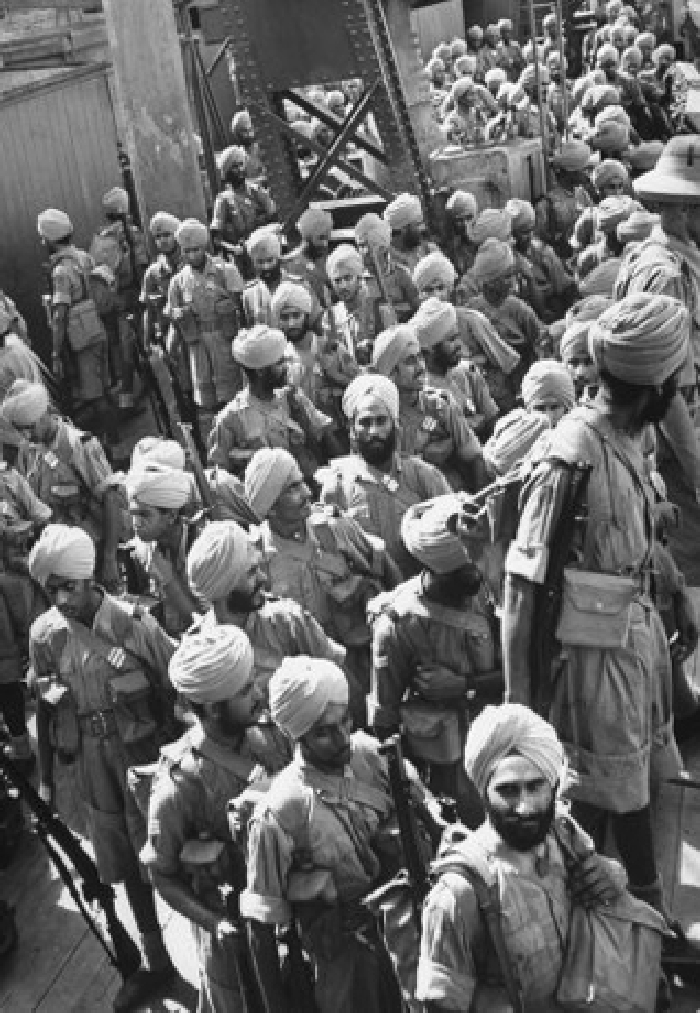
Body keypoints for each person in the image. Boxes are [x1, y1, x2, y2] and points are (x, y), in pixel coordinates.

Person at [503, 293, 693, 914]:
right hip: (591, 668)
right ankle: (632, 919)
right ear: (654, 384)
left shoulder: (628, 440)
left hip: (633, 652)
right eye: (677, 382)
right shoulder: (572, 455)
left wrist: (673, 597)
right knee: (600, 800)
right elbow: (520, 590)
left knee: (627, 792)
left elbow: (634, 546)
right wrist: (519, 718)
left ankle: (633, 915)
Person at [29, 525, 177, 1012]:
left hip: (145, 755)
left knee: (171, 854)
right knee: (125, 865)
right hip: (93, 761)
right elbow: (47, 708)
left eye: (67, 586)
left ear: (90, 578)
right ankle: (156, 963)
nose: (60, 598)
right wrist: (46, 784)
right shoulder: (47, 636)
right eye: (51, 589)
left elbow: (175, 692)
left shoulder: (136, 625)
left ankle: (221, 953)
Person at [242, 657, 436, 1013]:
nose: (342, 737)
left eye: (345, 721)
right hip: (345, 960)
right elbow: (261, 926)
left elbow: (433, 826)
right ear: (295, 734)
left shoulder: (376, 757)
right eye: (323, 732)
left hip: (412, 929)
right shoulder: (282, 811)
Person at [417, 703, 637, 1013]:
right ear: (483, 793)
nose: (526, 807)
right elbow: (441, 1004)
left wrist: (612, 875)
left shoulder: (563, 834)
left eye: (535, 787)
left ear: (553, 784)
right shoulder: (457, 895)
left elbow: (607, 893)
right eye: (508, 791)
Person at [143, 625, 287, 1013]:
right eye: (244, 692)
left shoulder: (273, 737)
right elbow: (162, 875)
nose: (257, 694)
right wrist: (214, 924)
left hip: (290, 917)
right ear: (211, 708)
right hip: (234, 940)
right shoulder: (179, 786)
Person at [368, 494, 500, 813]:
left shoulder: (494, 593)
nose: (476, 575)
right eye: (463, 570)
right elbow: (384, 721)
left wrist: (464, 687)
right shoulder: (398, 627)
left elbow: (528, 673)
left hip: (502, 750)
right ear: (433, 567)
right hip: (448, 773)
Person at [244, 447, 401, 716]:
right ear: (269, 507)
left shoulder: (334, 527)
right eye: (293, 489)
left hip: (364, 661)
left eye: (303, 483)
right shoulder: (257, 559)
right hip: (312, 684)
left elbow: (386, 569)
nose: (307, 493)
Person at [186, 518, 346, 693]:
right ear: (225, 586)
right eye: (252, 573)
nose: (263, 578)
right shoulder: (198, 648)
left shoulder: (289, 623)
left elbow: (339, 683)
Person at [316, 374, 451, 576]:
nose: (374, 431)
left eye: (381, 421)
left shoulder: (423, 476)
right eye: (365, 423)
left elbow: (451, 539)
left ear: (395, 426)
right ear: (352, 431)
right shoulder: (337, 487)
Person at [4, 380, 124, 588]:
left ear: (43, 415)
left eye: (29, 428)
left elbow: (111, 499)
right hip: (57, 556)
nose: (26, 436)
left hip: (91, 553)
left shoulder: (79, 445)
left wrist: (110, 558)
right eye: (20, 431)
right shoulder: (29, 451)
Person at [207, 323, 334, 483]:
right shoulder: (230, 419)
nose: (287, 367)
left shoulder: (293, 398)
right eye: (280, 363)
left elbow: (325, 436)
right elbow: (219, 477)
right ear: (260, 371)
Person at [370, 324, 486, 491]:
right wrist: (424, 457)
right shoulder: (377, 420)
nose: (421, 367)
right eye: (410, 361)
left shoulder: (440, 404)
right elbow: (378, 479)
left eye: (420, 358)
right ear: (391, 372)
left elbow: (475, 457)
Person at [166, 218, 243, 445]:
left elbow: (241, 306)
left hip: (224, 340)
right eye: (187, 251)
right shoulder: (178, 282)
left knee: (231, 394)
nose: (192, 256)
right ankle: (212, 446)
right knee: (204, 400)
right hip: (196, 344)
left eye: (197, 250)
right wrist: (172, 351)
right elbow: (172, 314)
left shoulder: (225, 271)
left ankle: (237, 440)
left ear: (205, 247)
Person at [38, 208, 109, 429]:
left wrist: (56, 353)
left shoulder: (61, 271)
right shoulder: (83, 257)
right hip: (96, 328)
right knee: (101, 389)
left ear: (49, 239)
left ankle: (114, 448)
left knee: (95, 397)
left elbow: (60, 316)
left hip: (81, 338)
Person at [123, 463, 201, 636]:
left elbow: (207, 624)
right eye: (133, 514)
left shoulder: (201, 547)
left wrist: (169, 581)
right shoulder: (139, 549)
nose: (136, 523)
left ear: (172, 516)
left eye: (144, 515)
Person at [271, 281, 358, 431]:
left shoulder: (332, 348)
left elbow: (360, 386)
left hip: (337, 431)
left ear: (306, 315)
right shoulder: (278, 358)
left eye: (296, 315)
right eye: (285, 317)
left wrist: (335, 376)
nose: (291, 323)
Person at [90, 187, 149, 409]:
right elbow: (141, 266)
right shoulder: (130, 234)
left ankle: (140, 385)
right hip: (129, 296)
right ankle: (126, 398)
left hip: (109, 301)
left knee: (120, 348)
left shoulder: (99, 237)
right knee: (131, 346)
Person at [413, 297, 499, 440]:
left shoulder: (468, 371)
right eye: (451, 340)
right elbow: (432, 434)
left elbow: (492, 418)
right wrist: (465, 426)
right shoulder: (421, 393)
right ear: (430, 349)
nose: (459, 344)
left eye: (457, 337)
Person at [465, 239, 549, 370]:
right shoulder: (471, 311)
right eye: (507, 276)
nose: (512, 282)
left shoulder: (518, 308)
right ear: (490, 281)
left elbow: (542, 337)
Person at [483, 359, 576, 478]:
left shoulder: (576, 432)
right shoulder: (514, 427)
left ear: (567, 408)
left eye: (554, 407)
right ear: (528, 408)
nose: (547, 415)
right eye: (540, 408)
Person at [508, 198, 578, 322]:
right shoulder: (505, 258)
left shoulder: (543, 252)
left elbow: (563, 286)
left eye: (531, 230)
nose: (529, 236)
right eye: (523, 232)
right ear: (512, 233)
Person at [241, 226, 321, 329]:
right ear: (253, 263)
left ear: (278, 259)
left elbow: (316, 322)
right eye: (260, 262)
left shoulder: (300, 285)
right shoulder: (249, 294)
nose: (266, 267)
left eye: (270, 260)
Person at [324, 243, 385, 366]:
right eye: (337, 281)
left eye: (348, 278)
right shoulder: (330, 316)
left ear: (359, 278)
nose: (343, 286)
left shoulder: (379, 309)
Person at [355, 213, 420, 324]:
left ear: (383, 248)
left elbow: (418, 309)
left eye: (369, 245)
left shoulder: (401, 274)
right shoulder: (356, 279)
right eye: (361, 246)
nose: (364, 252)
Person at [534, 140, 593, 259]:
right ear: (571, 172)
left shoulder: (582, 194)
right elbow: (539, 243)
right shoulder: (547, 204)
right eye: (584, 169)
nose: (587, 174)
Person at [140, 212, 182, 349]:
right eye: (158, 237)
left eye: (167, 235)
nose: (162, 240)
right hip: (170, 337)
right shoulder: (153, 273)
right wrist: (146, 342)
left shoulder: (191, 264)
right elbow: (149, 311)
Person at [283, 206, 333, 308]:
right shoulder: (288, 264)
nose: (325, 244)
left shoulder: (327, 261)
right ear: (307, 237)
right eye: (321, 238)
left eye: (327, 238)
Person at [383, 193, 438, 274]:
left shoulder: (430, 251)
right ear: (403, 228)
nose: (423, 228)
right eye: (417, 224)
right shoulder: (383, 266)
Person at [444, 190, 479, 278]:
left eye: (469, 217)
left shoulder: (486, 242)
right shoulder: (452, 251)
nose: (465, 224)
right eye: (460, 220)